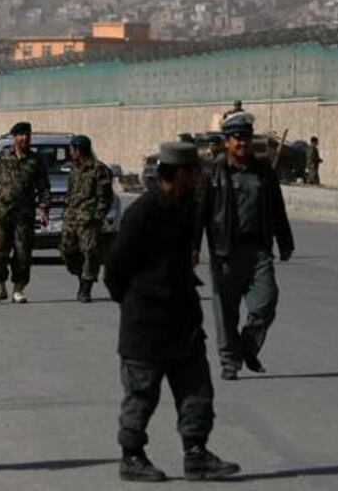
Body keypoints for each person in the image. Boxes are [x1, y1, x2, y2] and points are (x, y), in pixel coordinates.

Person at [105, 142, 240, 482]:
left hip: (182, 324)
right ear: (180, 173)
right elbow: (115, 271)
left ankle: (196, 454)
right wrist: (137, 304)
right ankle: (131, 456)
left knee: (197, 390)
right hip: (146, 326)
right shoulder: (144, 212)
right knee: (141, 396)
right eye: (195, 172)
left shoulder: (185, 207)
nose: (200, 178)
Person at [194, 111, 295, 381]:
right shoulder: (213, 172)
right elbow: (199, 211)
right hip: (224, 250)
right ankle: (229, 361)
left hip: (258, 249)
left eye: (247, 138)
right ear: (227, 141)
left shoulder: (263, 172)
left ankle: (247, 347)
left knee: (266, 301)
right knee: (225, 311)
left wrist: (285, 241)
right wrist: (193, 246)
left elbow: (277, 209)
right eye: (237, 138)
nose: (243, 143)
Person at [0, 121, 50, 304]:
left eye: (27, 135)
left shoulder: (35, 160)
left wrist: (44, 207)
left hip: (24, 215)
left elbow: (43, 186)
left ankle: (18, 289)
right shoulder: (2, 157)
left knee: (22, 254)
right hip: (2, 214)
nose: (25, 138)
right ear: (14, 137)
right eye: (21, 135)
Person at [60, 134, 114, 303]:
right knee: (68, 251)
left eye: (72, 150)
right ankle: (81, 276)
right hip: (72, 219)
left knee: (90, 252)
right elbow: (70, 193)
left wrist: (97, 216)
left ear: (79, 150)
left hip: (89, 220)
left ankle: (86, 287)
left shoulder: (99, 170)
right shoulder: (74, 169)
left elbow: (105, 197)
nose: (71, 153)